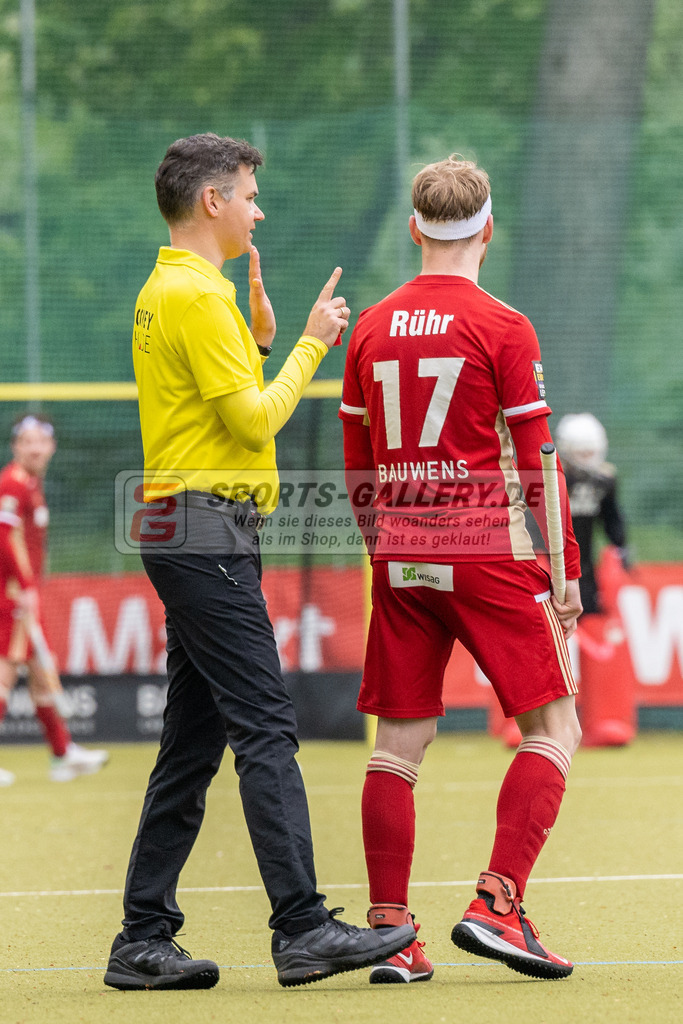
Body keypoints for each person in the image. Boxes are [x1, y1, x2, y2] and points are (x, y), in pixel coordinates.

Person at [103, 133, 414, 992]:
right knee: (267, 728)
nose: (256, 208)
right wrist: (314, 343)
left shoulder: (178, 288)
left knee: (192, 744)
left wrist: (265, 341)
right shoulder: (194, 296)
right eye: (246, 193)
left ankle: (142, 939)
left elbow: (220, 407)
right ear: (211, 201)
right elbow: (252, 425)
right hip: (205, 531)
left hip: (190, 528)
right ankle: (302, 928)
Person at [339, 155, 583, 983]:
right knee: (555, 727)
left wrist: (390, 547)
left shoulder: (369, 325)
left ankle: (389, 937)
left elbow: (355, 466)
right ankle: (497, 904)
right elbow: (537, 461)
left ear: (413, 229)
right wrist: (565, 568)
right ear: (487, 229)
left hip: (399, 552)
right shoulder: (503, 324)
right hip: (485, 550)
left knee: (397, 747)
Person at [0, 414, 109, 785]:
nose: (34, 447)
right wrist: (26, 586)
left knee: (42, 678)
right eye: (27, 441)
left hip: (24, 594)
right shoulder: (12, 485)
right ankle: (63, 753)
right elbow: (4, 538)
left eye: (41, 441)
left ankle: (63, 754)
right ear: (15, 446)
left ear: (52, 446)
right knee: (5, 674)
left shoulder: (30, 484)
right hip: (13, 595)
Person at [555, 413, 630, 615]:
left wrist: (621, 546)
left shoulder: (603, 481)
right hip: (551, 565)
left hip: (584, 567)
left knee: (587, 613)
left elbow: (612, 518)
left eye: (591, 452)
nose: (588, 459)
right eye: (582, 453)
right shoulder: (552, 480)